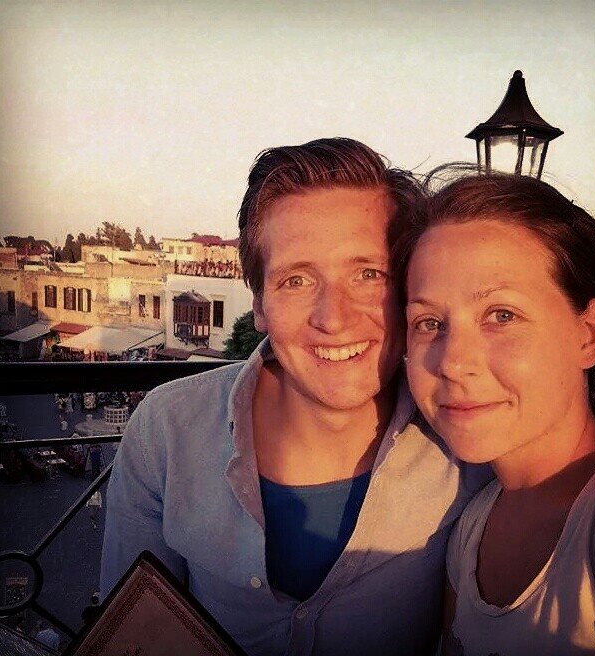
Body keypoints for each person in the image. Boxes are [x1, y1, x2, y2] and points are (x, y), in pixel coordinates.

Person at [100, 138, 491, 656]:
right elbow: (131, 630)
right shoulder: (167, 430)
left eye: (368, 274)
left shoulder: (465, 440)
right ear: (260, 305)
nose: (333, 318)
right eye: (297, 280)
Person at [398, 168, 595, 655]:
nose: (452, 362)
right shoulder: (471, 529)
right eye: (429, 323)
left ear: (589, 334)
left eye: (502, 315)